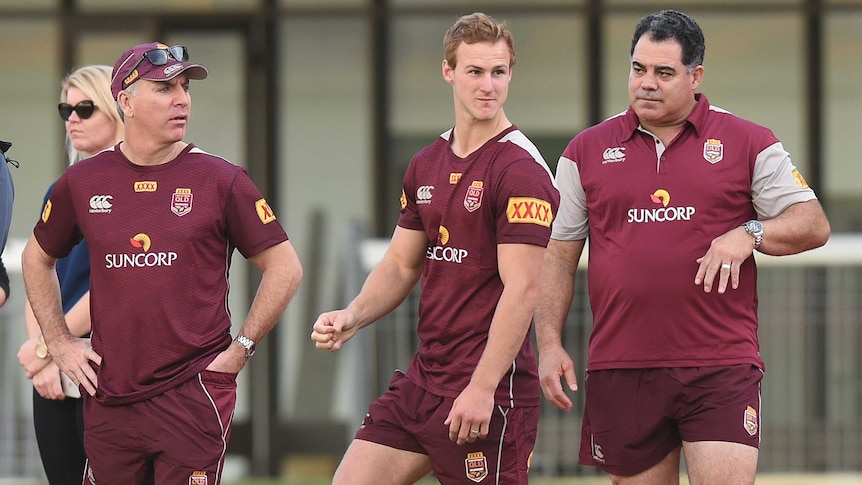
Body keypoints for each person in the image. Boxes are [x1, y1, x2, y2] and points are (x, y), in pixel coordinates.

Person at [534, 9, 831, 485]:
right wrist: (548, 343)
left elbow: (812, 224)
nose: (646, 83)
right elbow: (558, 254)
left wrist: (748, 233)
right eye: (638, 69)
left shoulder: (748, 142)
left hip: (720, 366)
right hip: (622, 366)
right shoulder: (584, 150)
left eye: (663, 72)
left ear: (695, 76)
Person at [21, 42, 303, 484]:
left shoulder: (222, 179)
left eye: (185, 87)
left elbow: (285, 267)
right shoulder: (81, 183)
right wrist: (57, 342)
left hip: (193, 393)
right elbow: (36, 259)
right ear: (127, 102)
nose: (182, 99)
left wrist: (240, 350)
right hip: (109, 399)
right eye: (164, 87)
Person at [311, 12, 559, 485]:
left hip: (489, 390)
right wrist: (353, 314)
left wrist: (482, 387)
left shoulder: (520, 169)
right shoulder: (425, 163)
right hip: (423, 382)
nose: (488, 85)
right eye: (474, 72)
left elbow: (524, 290)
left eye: (499, 72)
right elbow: (403, 264)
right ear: (448, 72)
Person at [16, 64, 122, 485]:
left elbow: (115, 286)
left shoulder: (136, 189)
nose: (73, 119)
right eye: (66, 110)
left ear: (118, 110)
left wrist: (45, 348)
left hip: (107, 370)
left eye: (85, 108)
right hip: (57, 368)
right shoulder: (63, 188)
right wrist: (44, 356)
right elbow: (38, 272)